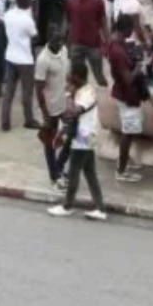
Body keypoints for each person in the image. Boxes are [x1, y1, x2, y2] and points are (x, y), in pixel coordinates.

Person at [47, 60, 107, 221]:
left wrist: (68, 95)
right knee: (89, 173)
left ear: (76, 77)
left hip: (84, 137)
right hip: (85, 136)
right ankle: (100, 208)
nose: (67, 78)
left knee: (73, 172)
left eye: (69, 76)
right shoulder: (81, 90)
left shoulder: (87, 93)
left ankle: (67, 206)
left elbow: (73, 112)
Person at [108, 13, 145, 182]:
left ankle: (124, 161)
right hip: (127, 96)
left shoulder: (116, 43)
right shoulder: (118, 52)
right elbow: (128, 79)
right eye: (131, 28)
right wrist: (138, 66)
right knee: (128, 132)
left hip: (123, 94)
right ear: (126, 29)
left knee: (128, 131)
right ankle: (122, 170)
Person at [35, 28, 71, 188]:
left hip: (65, 103)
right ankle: (54, 175)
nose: (59, 44)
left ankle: (60, 166)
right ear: (48, 39)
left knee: (72, 136)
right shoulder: (43, 60)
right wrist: (45, 114)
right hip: (51, 108)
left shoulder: (64, 50)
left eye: (61, 40)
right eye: (56, 41)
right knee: (50, 143)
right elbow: (38, 89)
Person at [1, 0, 40, 132]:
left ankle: (5, 122)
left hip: (10, 56)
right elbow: (35, 37)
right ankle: (28, 119)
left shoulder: (8, 14)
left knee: (9, 92)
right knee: (27, 92)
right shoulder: (28, 20)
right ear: (28, 3)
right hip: (25, 59)